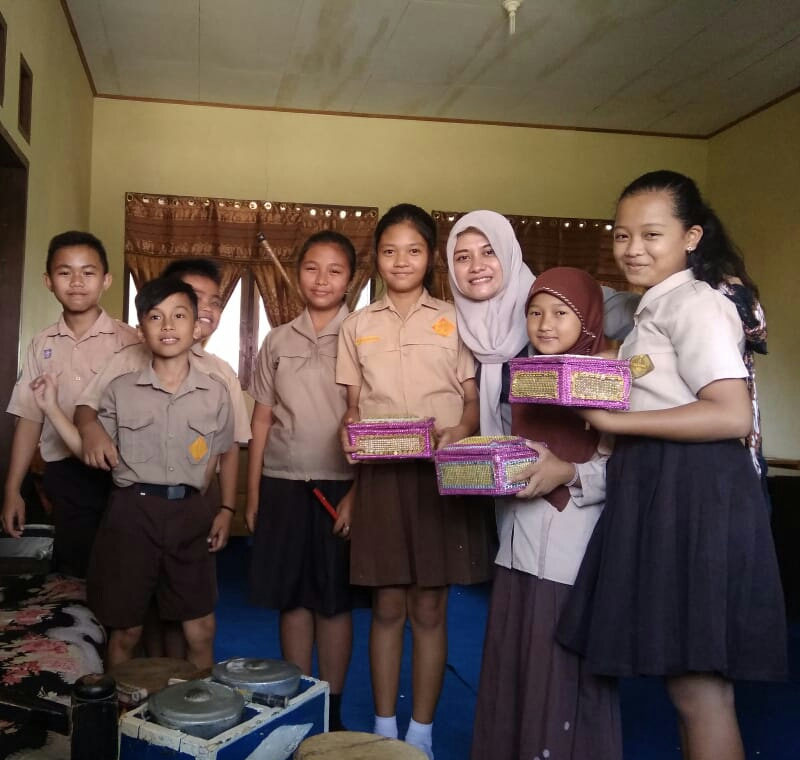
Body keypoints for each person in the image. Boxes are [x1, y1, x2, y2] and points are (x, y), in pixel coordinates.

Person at [556, 170, 787, 760]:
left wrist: (613, 423)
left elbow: (730, 414)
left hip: (695, 490)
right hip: (665, 486)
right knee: (687, 687)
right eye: (621, 235)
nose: (633, 249)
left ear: (691, 237)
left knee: (700, 690)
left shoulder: (696, 303)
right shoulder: (653, 308)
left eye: (651, 235)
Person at [336, 204, 490, 760]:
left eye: (414, 250)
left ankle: (421, 734)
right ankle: (383, 726)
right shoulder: (357, 325)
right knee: (386, 608)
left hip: (440, 478)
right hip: (380, 477)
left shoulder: (456, 320)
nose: (401, 261)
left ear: (431, 258)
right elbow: (352, 407)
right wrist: (349, 430)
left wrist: (462, 431)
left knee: (429, 609)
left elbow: (472, 400)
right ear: (375, 258)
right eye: (389, 250)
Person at [33, 277, 234, 669]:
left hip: (189, 517)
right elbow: (90, 453)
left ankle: (198, 708)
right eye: (155, 317)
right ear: (141, 330)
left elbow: (218, 457)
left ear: (196, 327)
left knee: (201, 629)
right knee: (126, 630)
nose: (168, 325)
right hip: (132, 516)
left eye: (179, 316)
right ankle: (118, 706)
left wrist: (219, 508)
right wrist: (51, 408)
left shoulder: (216, 392)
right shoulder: (120, 390)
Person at [468, 267, 621, 760]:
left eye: (560, 313)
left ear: (588, 318)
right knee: (513, 661)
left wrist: (567, 473)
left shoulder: (607, 379)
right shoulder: (523, 374)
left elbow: (621, 470)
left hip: (572, 552)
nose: (545, 324)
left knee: (559, 668)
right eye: (535, 312)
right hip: (516, 544)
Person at [246, 231, 361, 732]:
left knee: (334, 602)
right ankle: (298, 703)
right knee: (291, 599)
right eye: (312, 268)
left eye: (335, 270)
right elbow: (261, 420)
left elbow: (371, 420)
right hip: (283, 483)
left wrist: (359, 493)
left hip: (340, 484)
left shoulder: (360, 336)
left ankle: (332, 712)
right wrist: (253, 495)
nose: (322, 279)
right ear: (297, 274)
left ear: (351, 280)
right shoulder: (277, 340)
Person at [1, 231, 139, 577]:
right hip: (66, 476)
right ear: (48, 281)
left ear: (106, 280)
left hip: (121, 474)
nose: (77, 281)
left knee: (124, 570)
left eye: (88, 272)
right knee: (75, 571)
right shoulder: (41, 344)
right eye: (65, 272)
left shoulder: (129, 341)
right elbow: (29, 418)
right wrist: (13, 489)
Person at [445, 210, 639, 439]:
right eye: (463, 257)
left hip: (568, 452)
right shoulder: (454, 321)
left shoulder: (552, 295)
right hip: (498, 452)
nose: (477, 266)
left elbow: (649, 316)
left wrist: (622, 355)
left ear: (508, 252)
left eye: (489, 252)